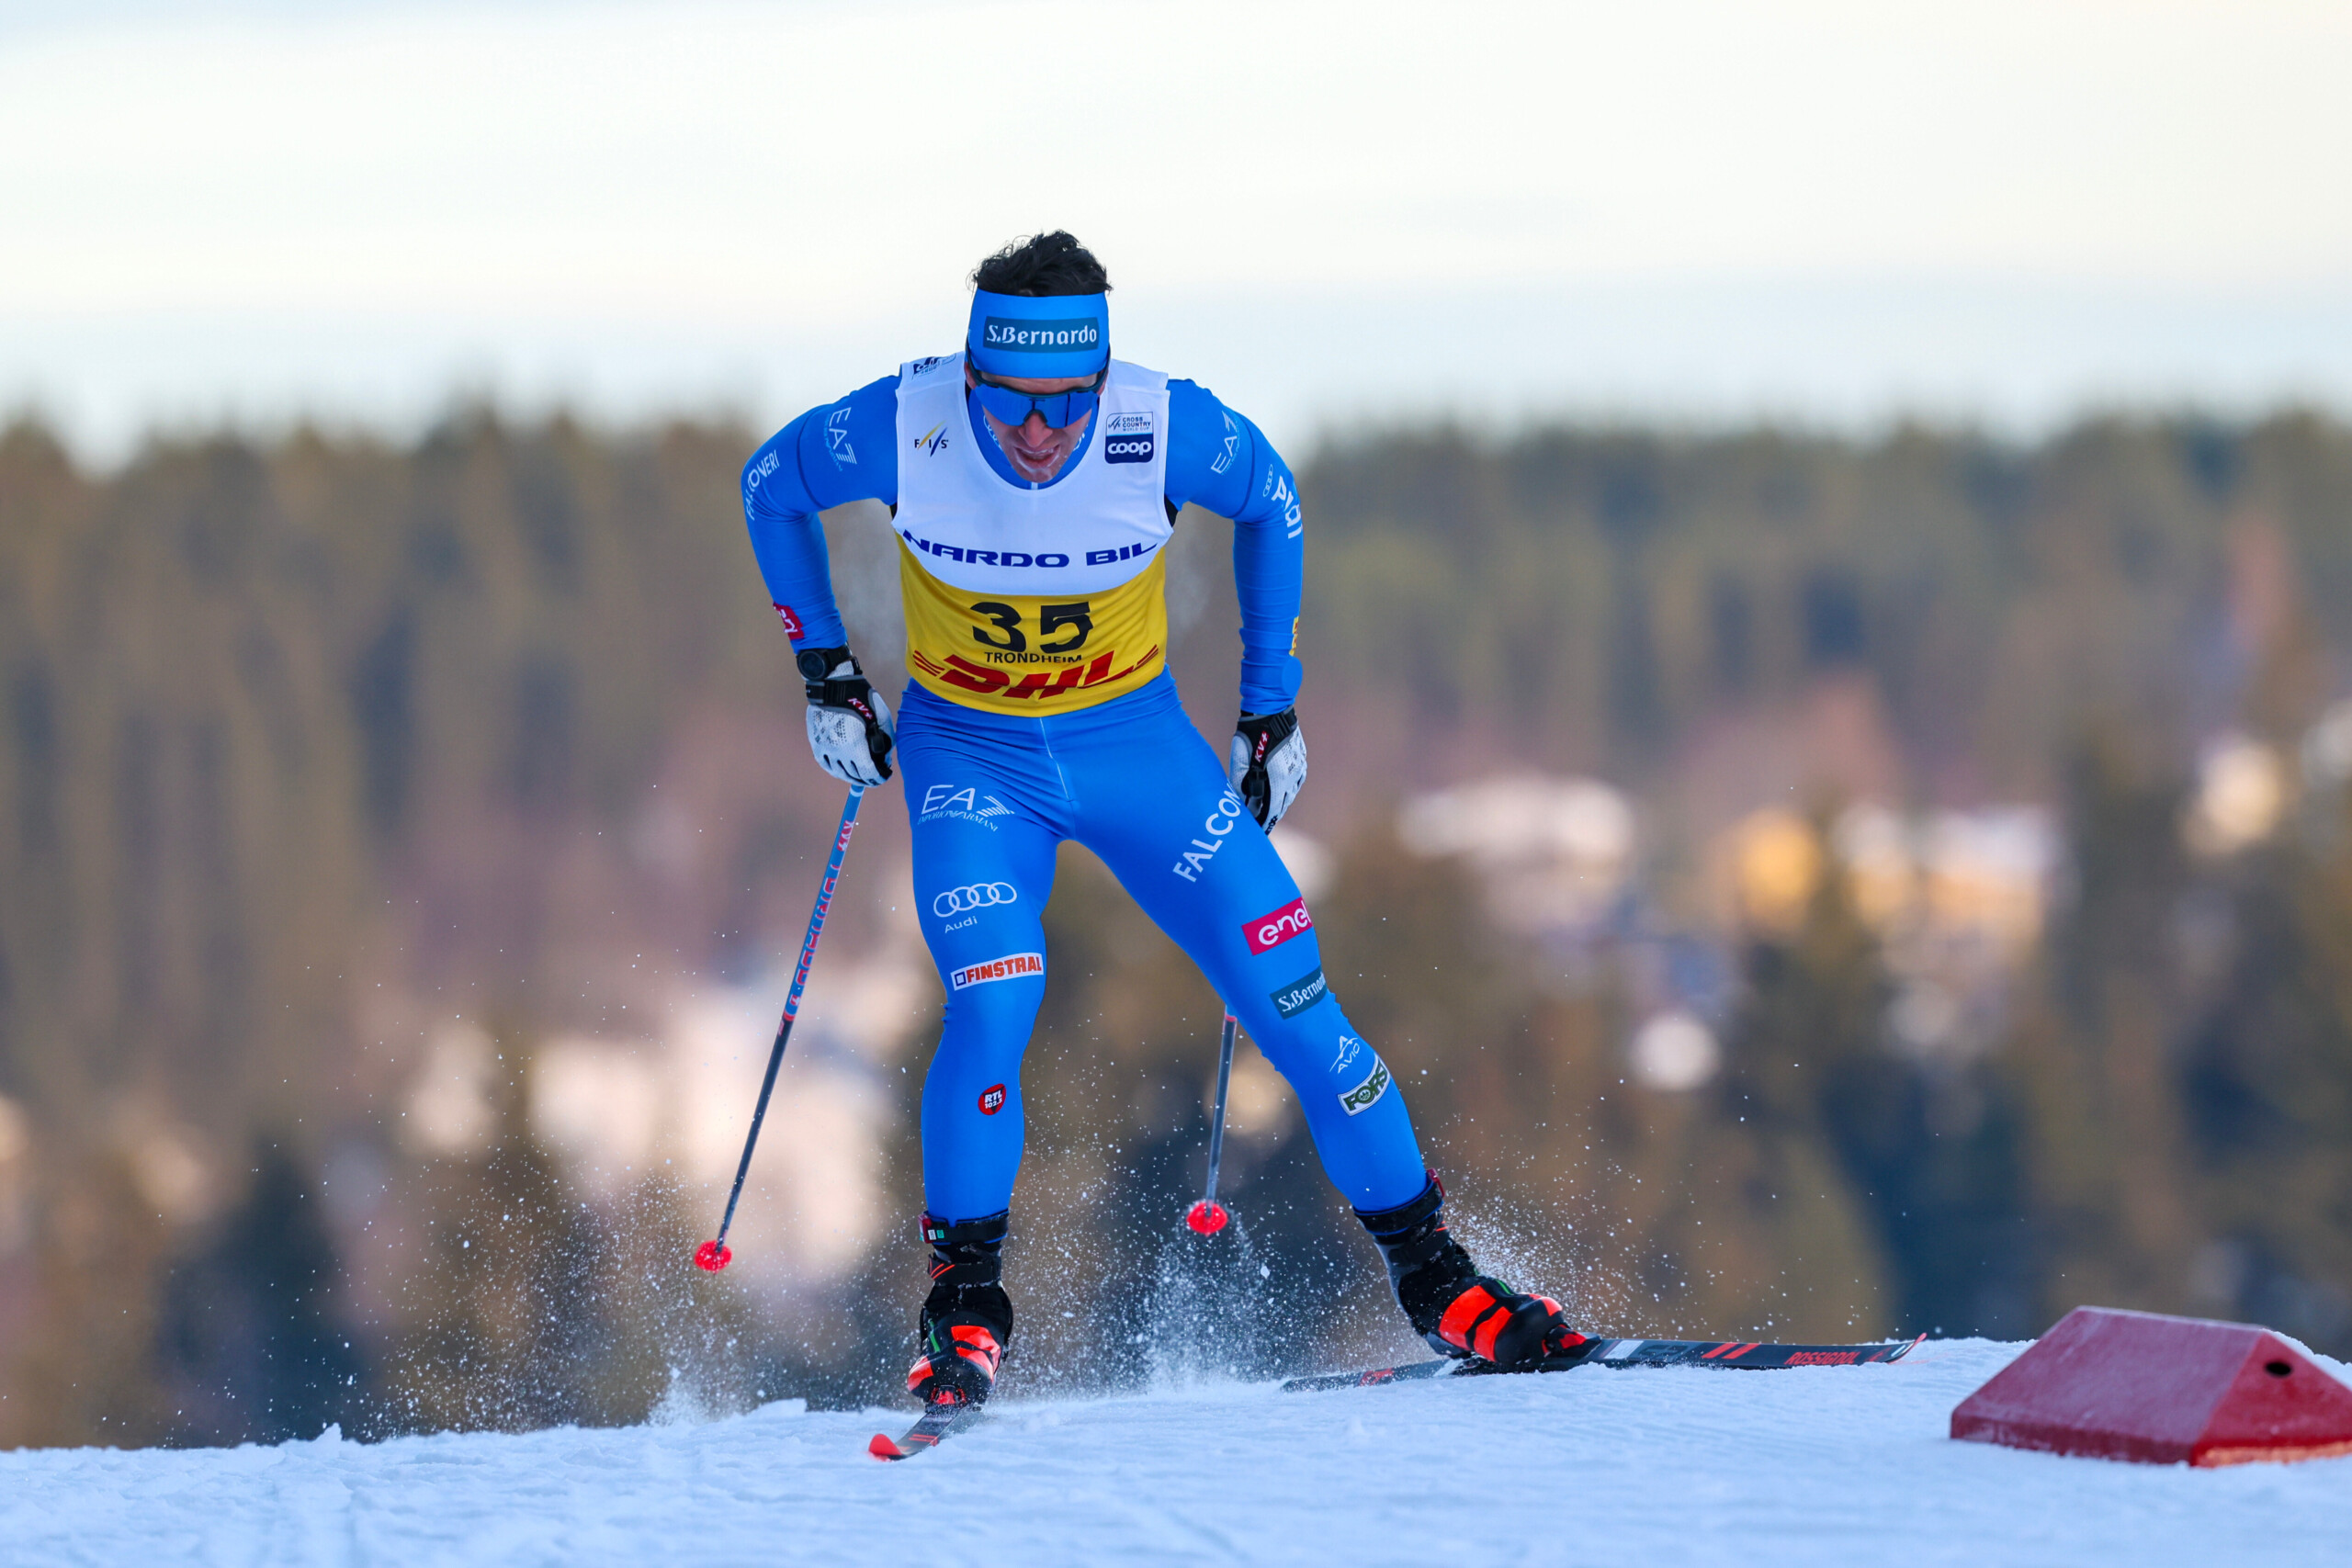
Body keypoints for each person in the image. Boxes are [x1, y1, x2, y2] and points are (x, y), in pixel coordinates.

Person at [741, 231, 1591, 1415]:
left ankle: (1441, 1283)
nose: (1037, 435)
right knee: (996, 992)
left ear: (1100, 379)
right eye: (1008, 404)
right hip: (972, 759)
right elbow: (769, 487)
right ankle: (964, 1309)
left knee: (1295, 999)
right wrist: (825, 672)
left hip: (1135, 753)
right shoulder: (901, 422)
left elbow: (1274, 500)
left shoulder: (1162, 426)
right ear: (968, 374)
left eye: (1064, 406)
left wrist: (1269, 707)